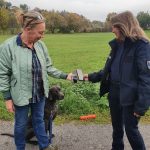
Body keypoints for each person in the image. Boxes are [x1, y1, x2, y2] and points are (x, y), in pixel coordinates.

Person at [0, 10, 72, 150]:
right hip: (20, 94)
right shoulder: (8, 47)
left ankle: (44, 146)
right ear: (28, 29)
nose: (42, 36)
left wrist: (65, 75)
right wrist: (7, 98)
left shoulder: (40, 46)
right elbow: (3, 74)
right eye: (40, 32)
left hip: (40, 93)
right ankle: (20, 147)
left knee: (39, 120)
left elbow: (48, 67)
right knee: (21, 124)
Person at [84, 11, 150, 150]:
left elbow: (146, 78)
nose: (112, 29)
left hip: (131, 96)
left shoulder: (141, 45)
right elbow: (110, 70)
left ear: (123, 26)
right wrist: (89, 76)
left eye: (114, 26)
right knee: (117, 128)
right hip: (114, 93)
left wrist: (141, 105)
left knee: (131, 130)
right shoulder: (117, 44)